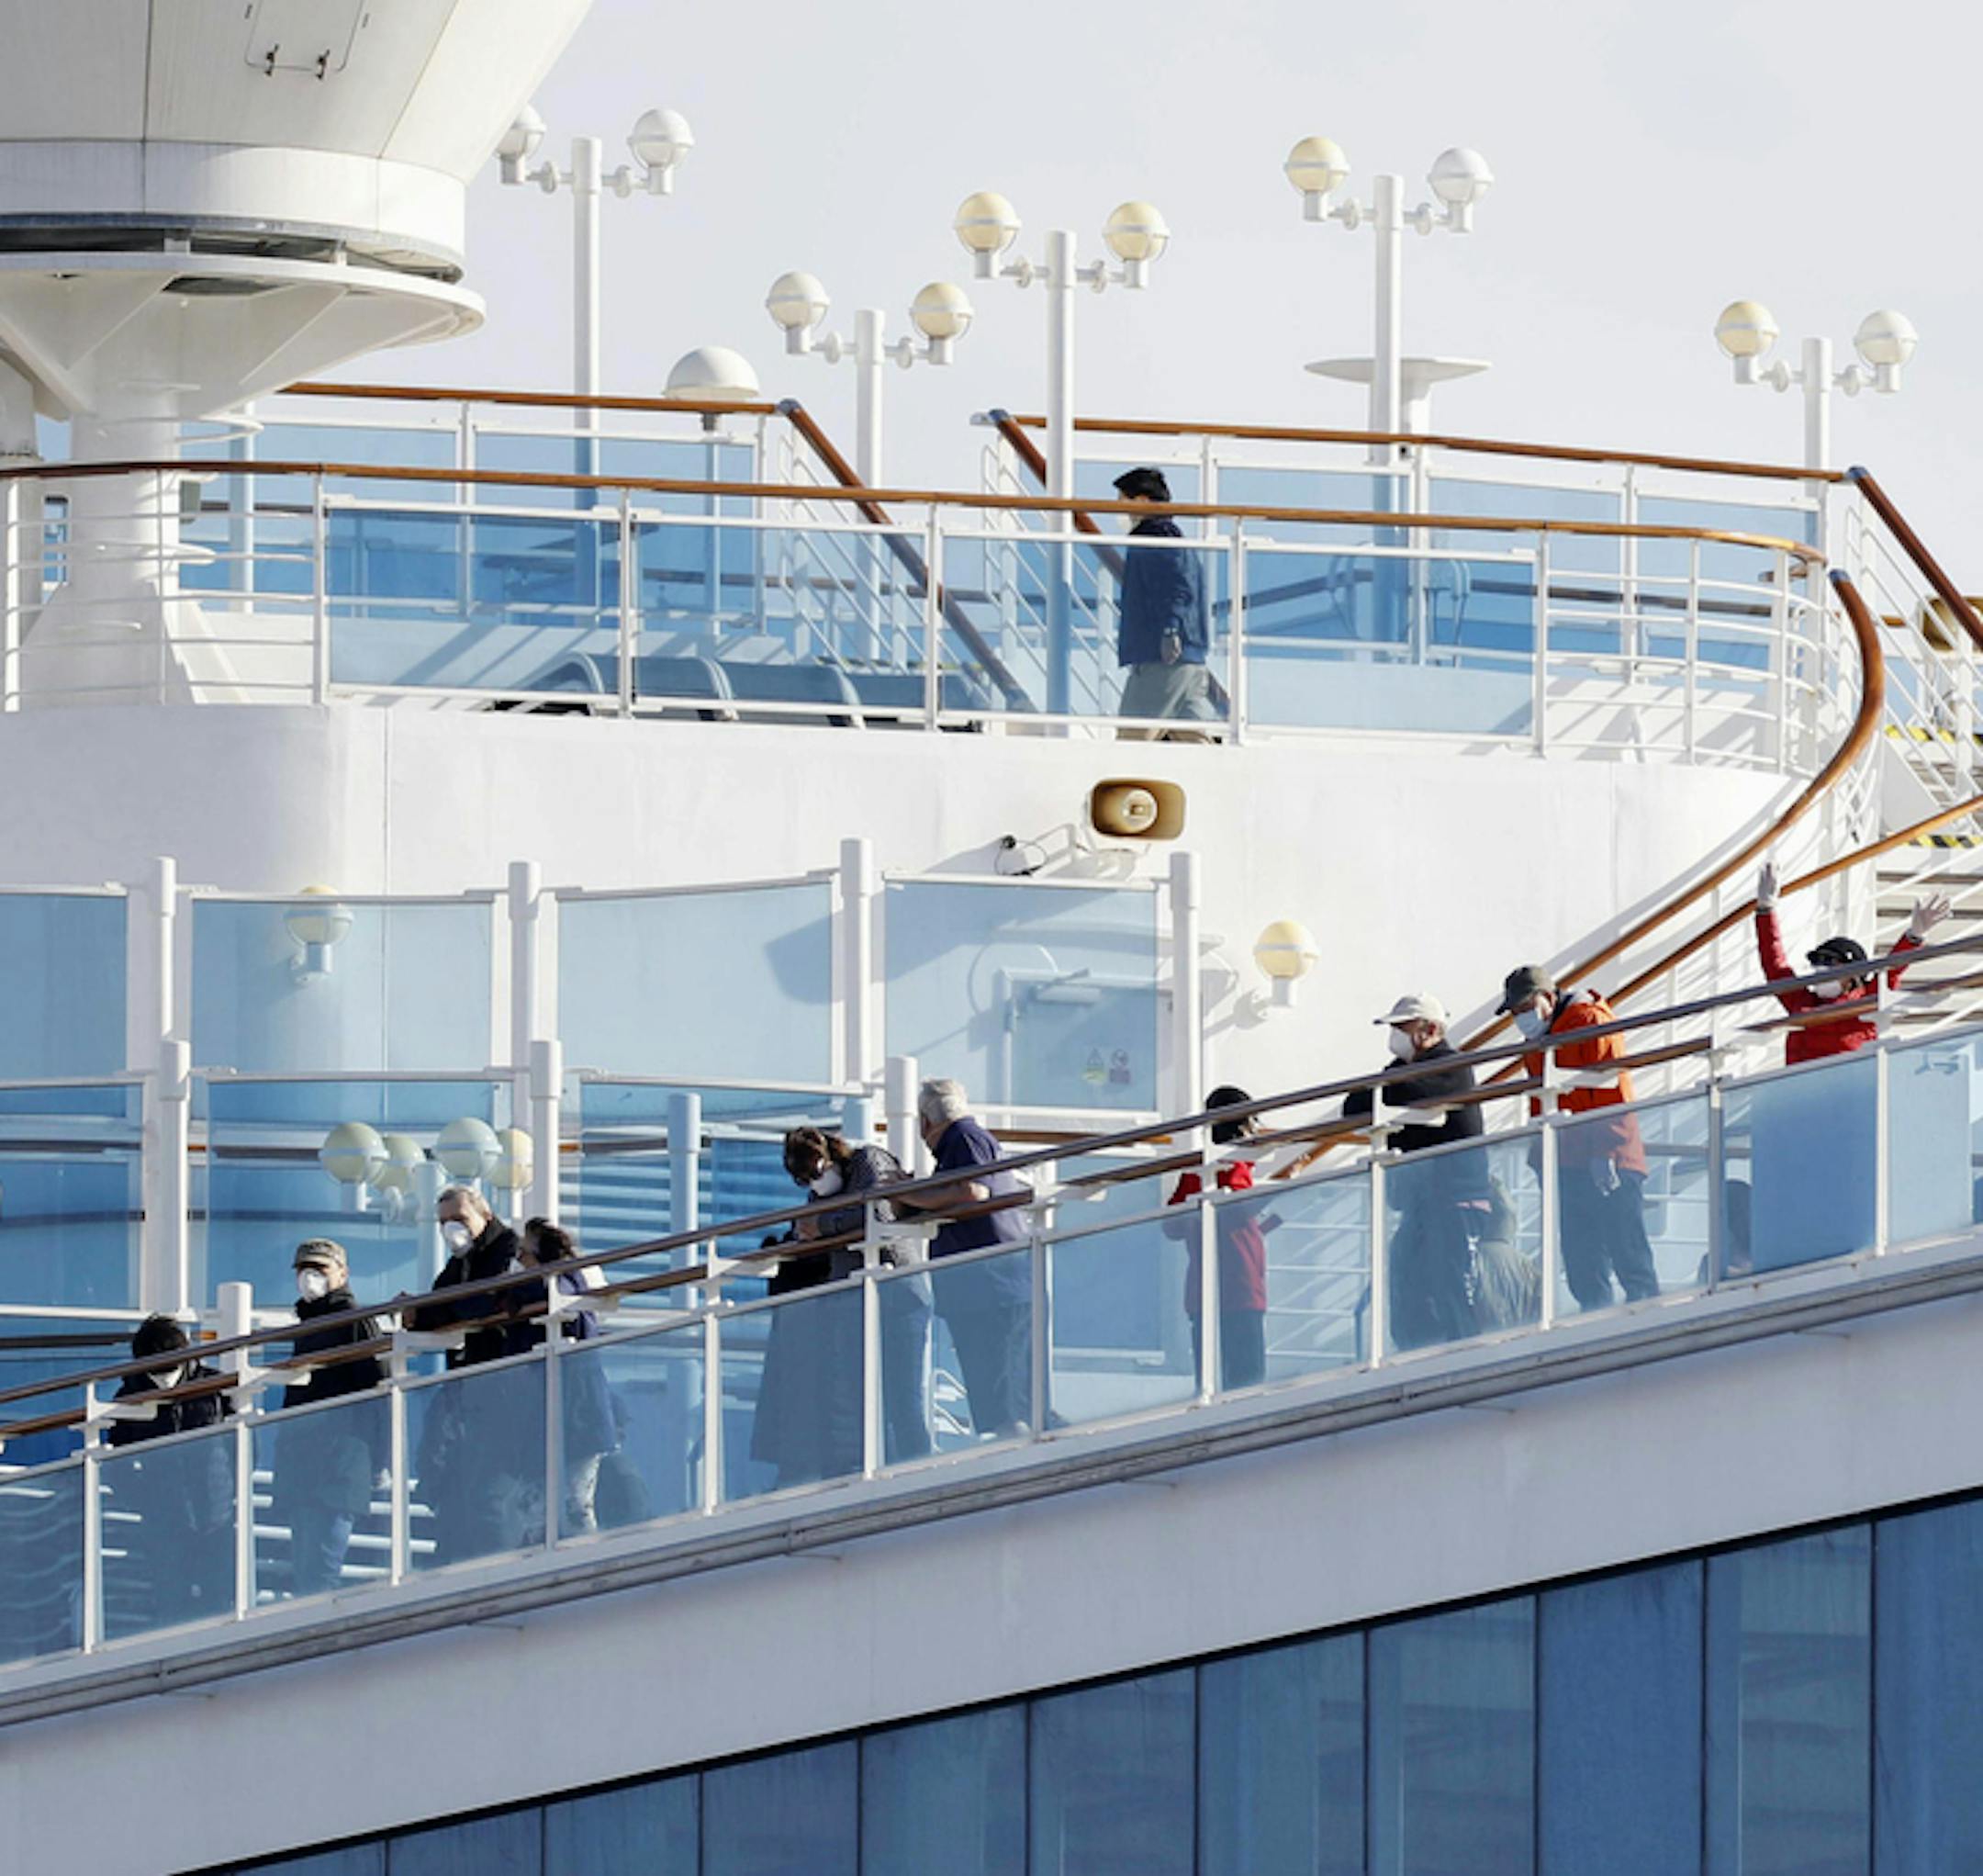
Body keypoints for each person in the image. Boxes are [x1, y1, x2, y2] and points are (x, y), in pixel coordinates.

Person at [750, 1129, 931, 1488]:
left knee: (901, 1395)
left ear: (829, 1156)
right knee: (854, 1392)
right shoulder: (818, 1196)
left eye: (816, 1173)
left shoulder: (866, 1161)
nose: (815, 1184)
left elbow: (878, 1210)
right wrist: (802, 1234)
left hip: (896, 1291)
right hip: (851, 1298)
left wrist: (824, 1225)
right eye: (805, 1181)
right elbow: (809, 1229)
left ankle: (918, 1472)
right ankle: (858, 1471)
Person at [1498, 965, 1659, 1310]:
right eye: (1516, 1012)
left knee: (1626, 1248)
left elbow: (1611, 1093)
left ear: (1547, 996)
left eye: (1526, 1008)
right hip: (1568, 1160)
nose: (1522, 1018)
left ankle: (1644, 1315)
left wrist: (1606, 1152)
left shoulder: (1590, 1021)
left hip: (1609, 1157)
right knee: (1582, 1257)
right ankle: (1595, 1319)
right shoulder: (1541, 1038)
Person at [1342, 994, 1491, 1351]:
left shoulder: (1453, 1067)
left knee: (1452, 1285)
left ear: (1431, 1029)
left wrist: (1387, 1092)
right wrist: (1389, 1092)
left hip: (1458, 1200)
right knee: (1407, 1280)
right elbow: (1354, 1104)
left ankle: (1462, 1354)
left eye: (1402, 1028)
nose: (1395, 1037)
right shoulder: (1400, 1070)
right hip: (1423, 1202)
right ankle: (1417, 1352)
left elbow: (1400, 1092)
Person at [892, 1079, 1033, 1439]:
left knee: (1002, 1393)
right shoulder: (971, 1141)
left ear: (925, 1122)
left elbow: (971, 1192)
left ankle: (1013, 1455)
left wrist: (908, 1193)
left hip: (990, 1284)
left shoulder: (964, 1138)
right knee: (1002, 1388)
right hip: (991, 1283)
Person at [405, 1185, 532, 1565]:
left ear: (485, 1216)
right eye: (443, 1222)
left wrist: (444, 1308)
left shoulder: (508, 1249)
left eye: (458, 1219)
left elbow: (482, 1301)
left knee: (492, 1497)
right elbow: (435, 1306)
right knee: (462, 1496)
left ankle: (498, 1572)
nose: (450, 1229)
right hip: (472, 1395)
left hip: (507, 1389)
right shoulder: (462, 1261)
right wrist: (419, 1310)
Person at [105, 1315, 235, 1627]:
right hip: (164, 1519)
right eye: (156, 1371)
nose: (164, 1378)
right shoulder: (129, 1398)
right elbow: (115, 1461)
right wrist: (143, 1500)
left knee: (220, 1604)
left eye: (169, 1369)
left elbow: (244, 1445)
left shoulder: (214, 1386)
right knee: (171, 1605)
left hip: (215, 1516)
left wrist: (230, 1491)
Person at [272, 1240, 386, 1598]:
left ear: (342, 1274)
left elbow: (377, 1394)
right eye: (304, 1270)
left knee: (319, 1573)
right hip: (307, 1469)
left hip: (337, 1468)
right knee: (308, 1570)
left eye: (320, 1269)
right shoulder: (308, 1326)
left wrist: (378, 1462)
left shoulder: (353, 1320)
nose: (310, 1278)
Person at [1754, 861, 1947, 1062]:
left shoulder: (1866, 1002)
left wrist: (1914, 936)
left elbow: (1892, 970)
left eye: (1829, 961)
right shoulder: (1803, 1001)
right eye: (1817, 961)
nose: (1820, 967)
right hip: (1798, 1089)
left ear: (1853, 973)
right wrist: (1765, 911)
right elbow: (1774, 966)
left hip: (1849, 1088)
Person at [1162, 1084, 1277, 1390]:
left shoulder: (1198, 1171)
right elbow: (1236, 1213)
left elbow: (1172, 1226)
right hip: (1239, 1291)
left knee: (1211, 1383)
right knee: (1246, 1382)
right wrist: (1278, 1187)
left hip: (1205, 1291)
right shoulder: (1231, 1167)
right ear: (1242, 1126)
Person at [510, 1219, 618, 1537]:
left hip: (578, 1410)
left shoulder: (567, 1281)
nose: (518, 1261)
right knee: (533, 1504)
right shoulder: (562, 1283)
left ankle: (582, 1561)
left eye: (524, 1254)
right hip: (549, 1410)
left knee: (575, 1503)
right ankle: (535, 1555)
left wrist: (516, 1291)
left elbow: (552, 1292)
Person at [1112, 466, 1215, 741]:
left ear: (1143, 500)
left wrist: (1171, 630)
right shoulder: (1172, 536)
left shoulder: (1154, 537)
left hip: (1163, 656)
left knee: (1131, 741)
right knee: (1193, 739)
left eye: (1123, 501)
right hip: (1190, 659)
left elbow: (1178, 586)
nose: (1119, 511)